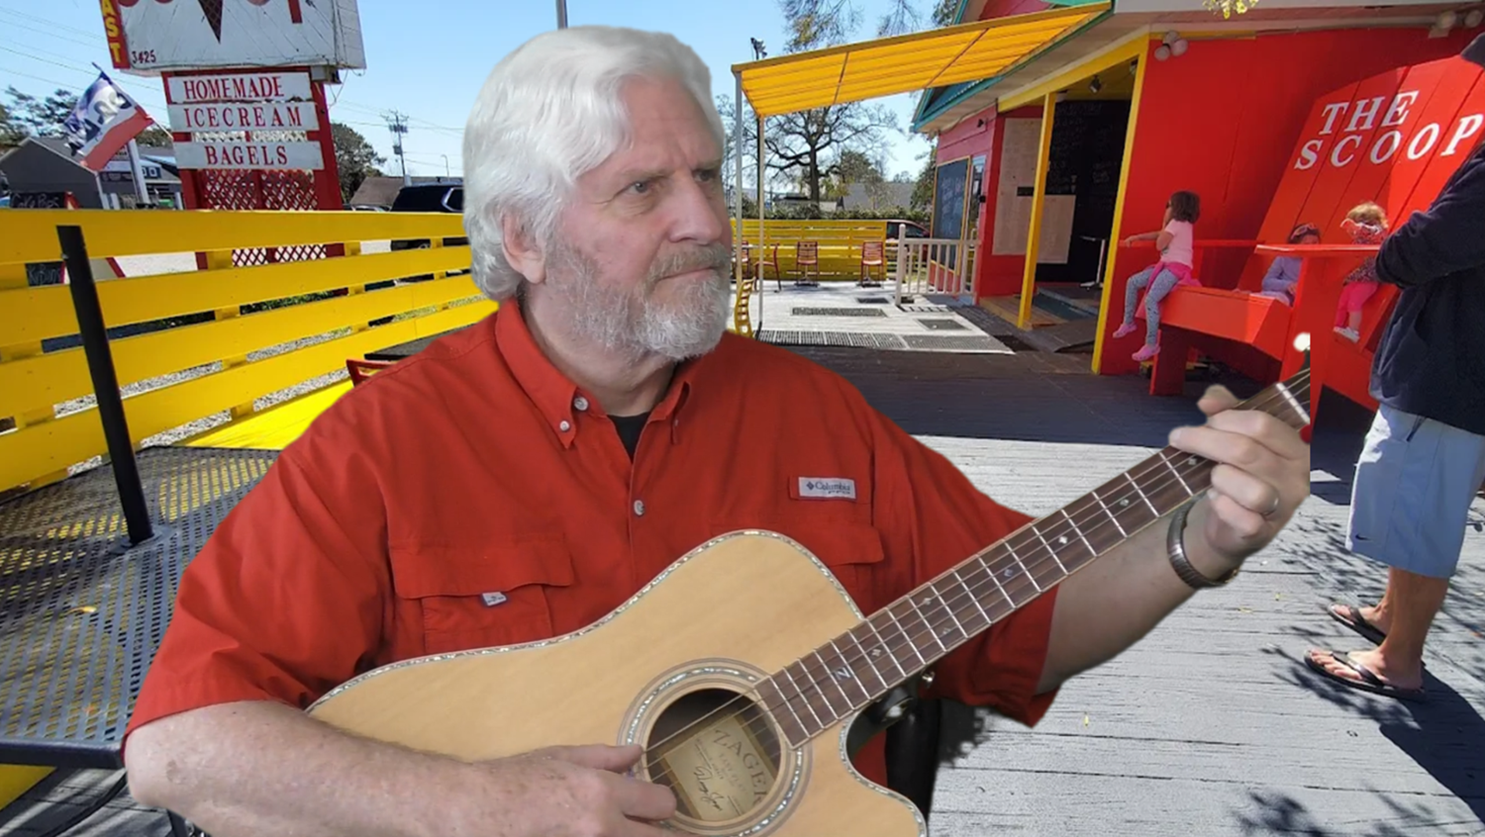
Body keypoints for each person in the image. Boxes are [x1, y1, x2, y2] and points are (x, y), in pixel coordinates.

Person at [121, 26, 1309, 837]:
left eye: (705, 177)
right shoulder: (382, 446)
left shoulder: (813, 414)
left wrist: (1199, 545)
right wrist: (483, 805)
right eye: (646, 189)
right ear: (524, 237)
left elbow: (1025, 628)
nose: (707, 222)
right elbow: (182, 750)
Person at [1304, 32, 1485, 702]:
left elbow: (1444, 236)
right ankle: (1389, 617)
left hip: (1455, 368)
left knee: (1420, 504)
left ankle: (1396, 657)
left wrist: (1383, 258)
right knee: (1412, 498)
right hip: (1453, 362)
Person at [1111, 190, 1202, 362]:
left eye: (1168, 205)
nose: (1166, 208)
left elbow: (1160, 244)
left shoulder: (1175, 223)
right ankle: (1128, 321)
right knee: (1133, 282)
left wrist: (1164, 221)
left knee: (1151, 299)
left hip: (1174, 269)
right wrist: (1138, 237)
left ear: (1176, 208)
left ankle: (1151, 343)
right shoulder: (1182, 224)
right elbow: (1161, 235)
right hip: (1166, 266)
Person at [1332, 201, 1390, 342]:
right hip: (1355, 277)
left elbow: (1374, 233)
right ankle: (1337, 325)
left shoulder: (1377, 233)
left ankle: (1353, 331)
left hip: (1369, 279)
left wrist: (1357, 228)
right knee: (1343, 302)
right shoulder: (1358, 240)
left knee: (1354, 302)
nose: (1352, 232)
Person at [1256, 222, 1320, 305]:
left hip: (1307, 303)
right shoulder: (1284, 257)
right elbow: (1266, 283)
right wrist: (1288, 285)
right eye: (1306, 244)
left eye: (1314, 243)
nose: (1311, 247)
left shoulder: (1321, 261)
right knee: (1277, 299)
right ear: (1296, 245)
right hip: (1282, 297)